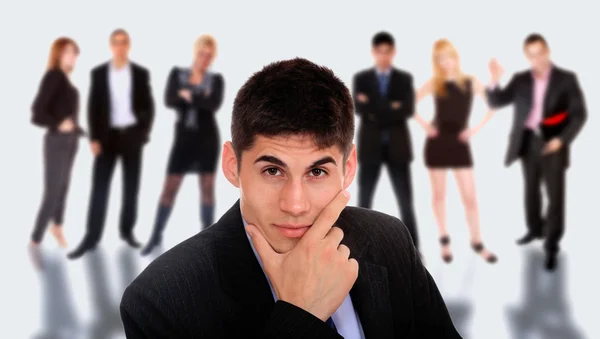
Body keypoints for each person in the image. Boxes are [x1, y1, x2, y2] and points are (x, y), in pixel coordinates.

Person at [120, 58, 462, 338]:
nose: (295, 205)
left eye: (317, 172)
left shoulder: (389, 241)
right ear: (232, 166)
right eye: (273, 171)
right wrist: (299, 317)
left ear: (349, 167)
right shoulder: (161, 302)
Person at [487, 33, 587, 270]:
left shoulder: (566, 79)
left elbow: (579, 114)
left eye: (540, 53)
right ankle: (535, 230)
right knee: (531, 191)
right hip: (527, 141)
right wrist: (494, 80)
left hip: (553, 143)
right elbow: (497, 101)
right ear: (526, 56)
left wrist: (562, 140)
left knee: (555, 197)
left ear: (547, 51)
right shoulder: (521, 79)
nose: (537, 59)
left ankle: (551, 246)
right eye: (531, 55)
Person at [68, 29, 155, 260]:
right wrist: (94, 138)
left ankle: (127, 231)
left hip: (131, 137)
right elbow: (93, 107)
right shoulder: (98, 73)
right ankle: (91, 236)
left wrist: (142, 133)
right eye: (116, 43)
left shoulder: (139, 73)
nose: (120, 46)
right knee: (99, 188)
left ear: (128, 45)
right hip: (106, 139)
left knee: (131, 187)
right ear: (111, 46)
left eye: (124, 42)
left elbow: (148, 105)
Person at [414, 39, 497, 264]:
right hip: (438, 143)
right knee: (439, 195)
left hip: (460, 143)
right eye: (440, 58)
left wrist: (474, 130)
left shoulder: (470, 81)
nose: (445, 62)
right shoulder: (434, 83)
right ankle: (444, 239)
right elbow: (409, 102)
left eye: (448, 56)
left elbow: (493, 103)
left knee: (470, 197)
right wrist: (425, 126)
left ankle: (477, 242)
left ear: (455, 57)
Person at [141, 35, 224, 256]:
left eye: (209, 55)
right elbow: (169, 99)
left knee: (207, 190)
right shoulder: (178, 75)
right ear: (195, 53)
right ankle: (155, 236)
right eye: (201, 54)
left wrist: (188, 95)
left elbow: (213, 104)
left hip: (207, 140)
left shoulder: (216, 81)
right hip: (183, 141)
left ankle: (209, 242)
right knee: (170, 188)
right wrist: (199, 96)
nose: (204, 58)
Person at [352, 31, 420, 249]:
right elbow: (359, 108)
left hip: (398, 148)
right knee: (364, 202)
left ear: (393, 53)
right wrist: (392, 107)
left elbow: (408, 110)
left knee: (406, 203)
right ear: (374, 52)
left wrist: (374, 106)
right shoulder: (361, 79)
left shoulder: (404, 79)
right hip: (371, 147)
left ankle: (414, 250)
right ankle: (360, 248)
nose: (383, 56)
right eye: (379, 52)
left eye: (387, 52)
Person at [30, 37, 83, 249]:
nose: (74, 56)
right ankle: (35, 239)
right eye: (69, 52)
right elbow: (37, 113)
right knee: (52, 191)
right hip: (56, 142)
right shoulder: (53, 77)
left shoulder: (66, 81)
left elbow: (68, 117)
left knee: (63, 187)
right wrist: (59, 124)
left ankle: (57, 226)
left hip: (70, 141)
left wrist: (80, 132)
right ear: (59, 53)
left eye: (75, 52)